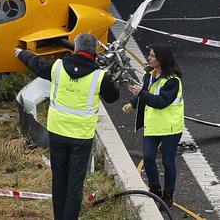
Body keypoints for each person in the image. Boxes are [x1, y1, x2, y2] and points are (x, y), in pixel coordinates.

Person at [15, 33, 119, 220]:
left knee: (59, 180)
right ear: (94, 51)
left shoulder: (57, 67)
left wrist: (21, 53)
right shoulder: (99, 76)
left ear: (75, 48)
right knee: (74, 184)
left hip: (57, 133)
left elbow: (37, 64)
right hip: (81, 136)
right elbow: (113, 97)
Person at [123, 44, 184, 209]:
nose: (148, 58)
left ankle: (168, 197)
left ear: (161, 60)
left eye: (151, 56)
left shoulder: (172, 81)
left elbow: (160, 102)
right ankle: (155, 192)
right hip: (153, 127)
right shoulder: (149, 75)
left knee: (168, 162)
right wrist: (132, 103)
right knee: (149, 158)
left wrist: (140, 94)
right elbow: (145, 92)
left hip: (170, 129)